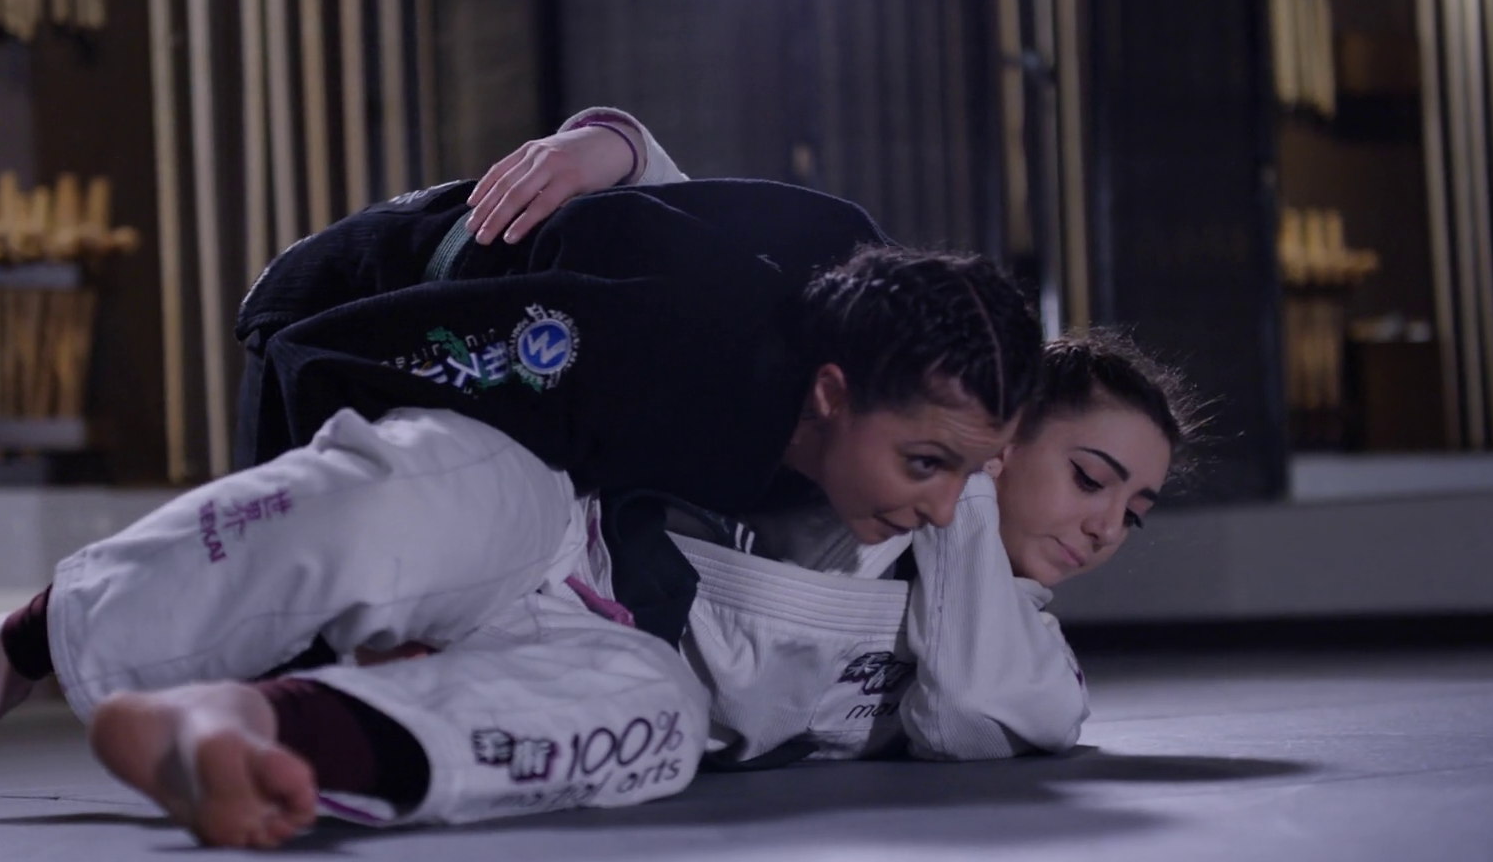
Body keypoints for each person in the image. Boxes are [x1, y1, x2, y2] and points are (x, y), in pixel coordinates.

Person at [0, 159, 1044, 847]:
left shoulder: (857, 327)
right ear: (829, 395)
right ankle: (10, 651)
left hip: (588, 585)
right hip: (431, 399)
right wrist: (348, 619)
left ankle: (258, 728)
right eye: (926, 465)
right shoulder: (663, 333)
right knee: (434, 494)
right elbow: (332, 364)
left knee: (654, 726)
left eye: (971, 475)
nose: (946, 510)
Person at [446, 111, 1203, 767]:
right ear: (1006, 431)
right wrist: (622, 148)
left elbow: (970, 715)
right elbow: (747, 281)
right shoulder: (853, 470)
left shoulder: (1026, 645)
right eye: (1090, 479)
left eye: (1134, 513)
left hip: (550, 702)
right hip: (501, 540)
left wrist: (966, 503)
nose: (1107, 528)